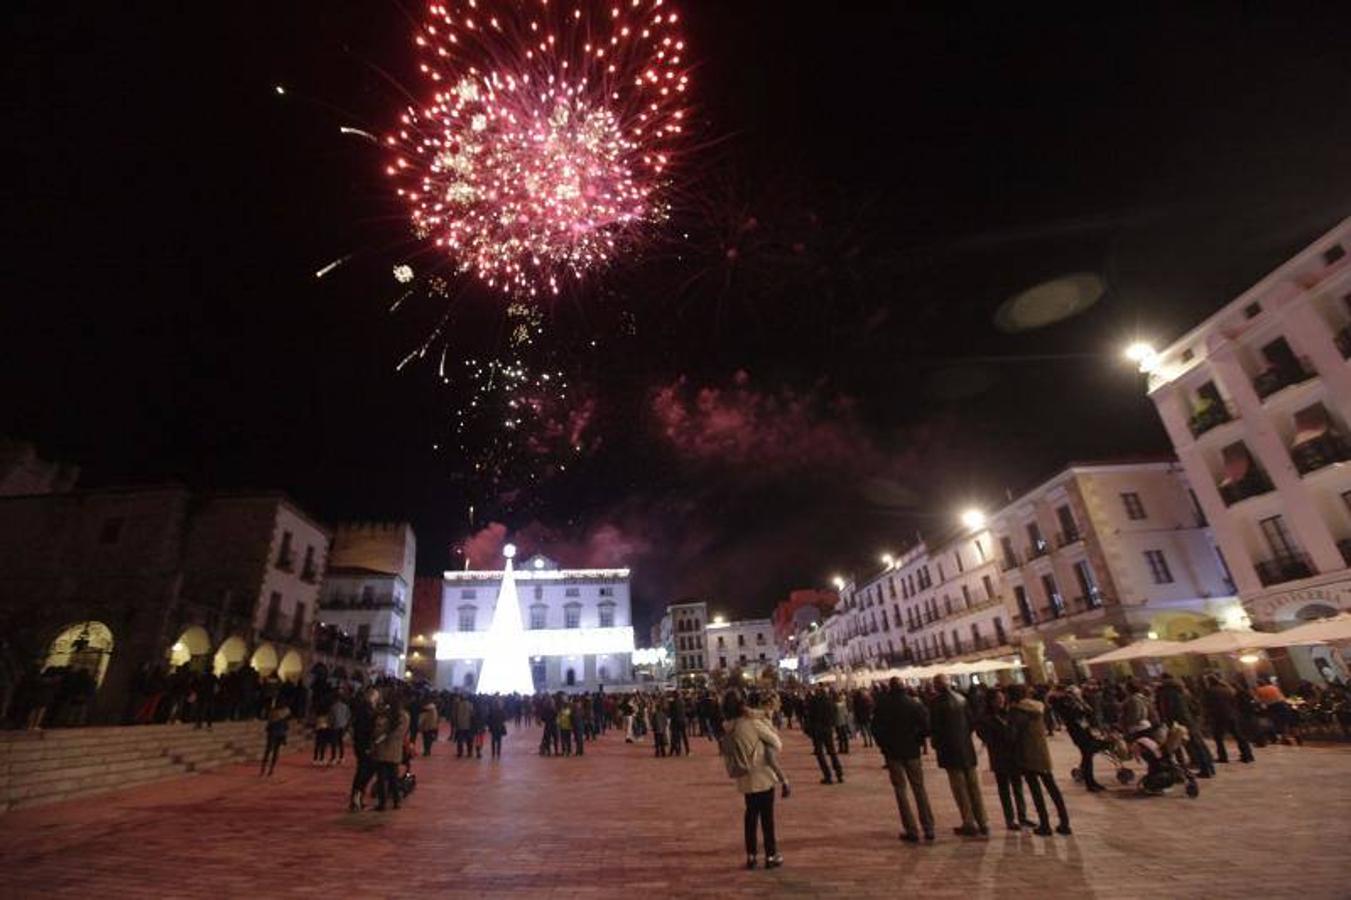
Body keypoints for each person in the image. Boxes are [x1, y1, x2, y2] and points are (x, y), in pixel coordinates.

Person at [720, 690, 784, 870]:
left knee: (750, 816)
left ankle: (751, 855)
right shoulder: (751, 723)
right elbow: (777, 743)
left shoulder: (728, 727)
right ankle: (770, 855)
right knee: (767, 818)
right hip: (762, 774)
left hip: (744, 776)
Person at [872, 679, 935, 842]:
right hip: (912, 751)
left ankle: (911, 829)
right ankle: (928, 827)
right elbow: (927, 727)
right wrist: (918, 740)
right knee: (919, 788)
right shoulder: (914, 704)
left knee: (900, 791)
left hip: (893, 753)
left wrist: (884, 746)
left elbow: (875, 729)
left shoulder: (883, 705)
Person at [928, 674, 987, 836]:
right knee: (974, 786)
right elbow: (971, 722)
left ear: (937, 686)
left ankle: (968, 822)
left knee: (959, 788)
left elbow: (935, 728)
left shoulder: (936, 704)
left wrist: (936, 743)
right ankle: (983, 821)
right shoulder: (961, 699)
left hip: (950, 751)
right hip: (966, 748)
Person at [1008, 684, 1071, 836]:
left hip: (1026, 754)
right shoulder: (1037, 707)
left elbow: (1012, 734)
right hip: (1042, 752)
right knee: (1052, 788)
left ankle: (1045, 824)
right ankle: (1064, 822)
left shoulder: (1016, 711)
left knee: (1036, 791)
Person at [977, 689, 1031, 830]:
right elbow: (986, 736)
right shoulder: (985, 719)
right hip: (999, 757)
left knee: (1018, 788)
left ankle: (1023, 816)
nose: (1001, 700)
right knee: (1004, 789)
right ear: (991, 701)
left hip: (1014, 756)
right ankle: (1010, 819)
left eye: (1002, 697)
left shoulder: (1009, 714)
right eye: (997, 698)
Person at [1156, 673, 1214, 777]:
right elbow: (1194, 706)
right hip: (1189, 720)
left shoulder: (1166, 692)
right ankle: (1209, 768)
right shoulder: (1182, 689)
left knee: (1182, 746)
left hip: (1179, 722)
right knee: (1198, 745)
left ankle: (1196, 770)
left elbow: (1167, 710)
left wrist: (1168, 722)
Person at [1054, 686, 1107, 792]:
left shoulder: (1076, 703)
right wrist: (1080, 706)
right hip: (1078, 734)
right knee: (1087, 757)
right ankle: (1089, 782)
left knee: (1087, 757)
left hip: (1085, 732)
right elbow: (1076, 716)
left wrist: (1081, 702)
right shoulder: (1066, 705)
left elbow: (1089, 711)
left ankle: (1089, 780)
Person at [371, 692, 409, 811]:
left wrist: (381, 736)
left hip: (385, 749)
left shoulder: (388, 715)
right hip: (393, 750)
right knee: (392, 776)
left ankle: (384, 803)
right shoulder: (402, 716)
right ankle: (395, 801)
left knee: (384, 777)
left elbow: (378, 730)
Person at [1204, 674, 1253, 764]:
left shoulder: (1210, 691)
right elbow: (1234, 701)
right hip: (1231, 715)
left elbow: (1208, 705)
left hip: (1219, 716)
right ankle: (1247, 755)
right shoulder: (1227, 689)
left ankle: (1223, 757)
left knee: (1218, 738)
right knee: (1238, 735)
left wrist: (1208, 717)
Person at [807, 687, 845, 784]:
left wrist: (810, 730)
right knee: (832, 752)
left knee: (820, 753)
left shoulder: (814, 701)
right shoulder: (830, 701)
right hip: (827, 729)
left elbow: (810, 716)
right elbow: (834, 714)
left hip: (817, 730)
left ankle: (827, 776)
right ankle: (839, 774)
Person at [260, 701, 290, 777]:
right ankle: (270, 769)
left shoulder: (272, 713)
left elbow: (269, 725)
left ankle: (264, 768)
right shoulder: (284, 714)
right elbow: (286, 727)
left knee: (268, 751)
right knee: (275, 752)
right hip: (279, 734)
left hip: (272, 734)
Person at [328, 692, 350, 765]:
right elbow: (348, 716)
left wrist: (330, 724)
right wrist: (345, 723)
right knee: (341, 742)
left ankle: (334, 758)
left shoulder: (333, 707)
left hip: (335, 726)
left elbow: (331, 717)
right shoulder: (345, 706)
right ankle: (341, 757)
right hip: (343, 726)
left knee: (334, 743)